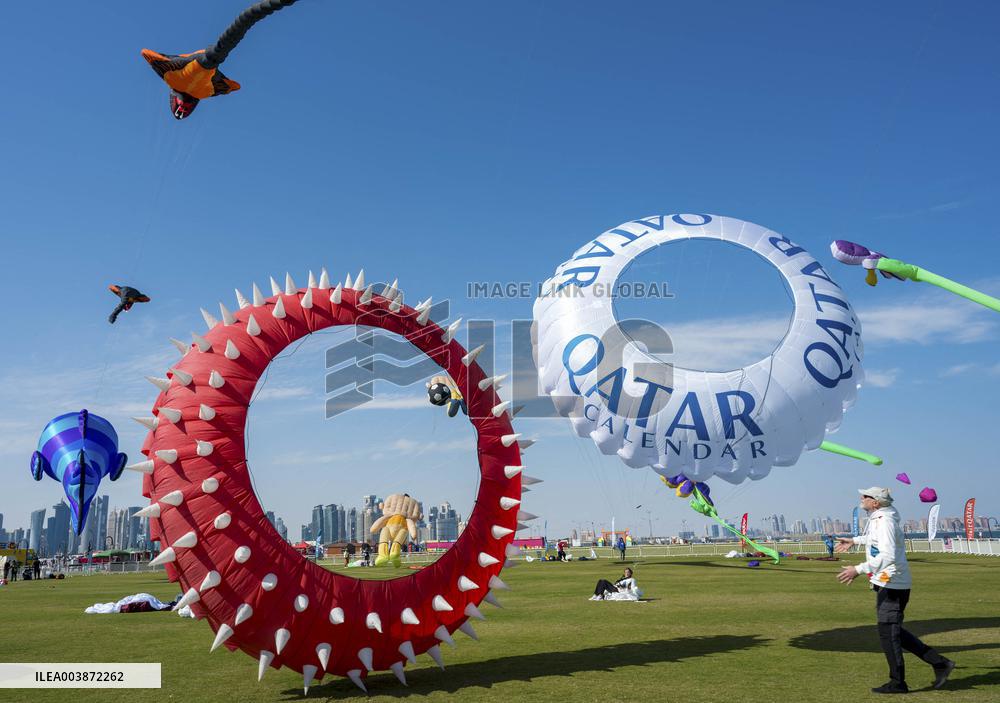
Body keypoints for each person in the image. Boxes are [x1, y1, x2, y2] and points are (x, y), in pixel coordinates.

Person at [835, 487, 955, 694]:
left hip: (893, 583)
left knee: (888, 632)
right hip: (887, 582)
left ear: (876, 502)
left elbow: (888, 555)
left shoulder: (885, 521)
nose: (861, 498)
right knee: (892, 631)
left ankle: (898, 682)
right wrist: (854, 540)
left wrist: (858, 569)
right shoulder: (880, 519)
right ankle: (939, 663)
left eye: (866, 496)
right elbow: (874, 539)